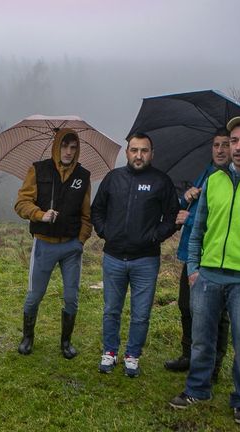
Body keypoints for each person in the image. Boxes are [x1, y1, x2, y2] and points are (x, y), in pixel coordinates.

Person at [169, 117, 240, 426]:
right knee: (201, 340)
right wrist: (194, 269)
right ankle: (197, 389)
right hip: (208, 276)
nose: (237, 147)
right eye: (233, 140)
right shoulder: (214, 181)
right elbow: (198, 230)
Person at [91, 132, 179, 377]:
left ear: (152, 153)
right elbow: (96, 210)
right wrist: (105, 231)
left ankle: (132, 355)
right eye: (134, 150)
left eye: (144, 150)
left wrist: (155, 236)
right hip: (114, 258)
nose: (139, 155)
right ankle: (109, 352)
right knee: (111, 310)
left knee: (141, 314)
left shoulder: (161, 181)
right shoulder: (113, 178)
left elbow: (173, 216)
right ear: (127, 152)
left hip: (146, 260)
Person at [14, 129, 92, 359]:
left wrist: (80, 241)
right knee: (35, 295)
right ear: (57, 146)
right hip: (44, 245)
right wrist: (39, 214)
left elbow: (87, 215)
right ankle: (28, 337)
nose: (68, 151)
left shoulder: (83, 176)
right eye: (64, 146)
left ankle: (66, 342)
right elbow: (20, 203)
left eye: (73, 147)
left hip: (71, 247)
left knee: (71, 296)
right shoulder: (38, 170)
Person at [164, 128, 231, 383]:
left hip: (214, 256)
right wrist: (186, 198)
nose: (221, 150)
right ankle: (188, 355)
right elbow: (187, 208)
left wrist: (191, 215)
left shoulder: (232, 178)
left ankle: (213, 365)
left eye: (226, 144)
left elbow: (224, 219)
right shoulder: (206, 172)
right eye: (216, 145)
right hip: (191, 253)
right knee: (186, 306)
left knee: (217, 313)